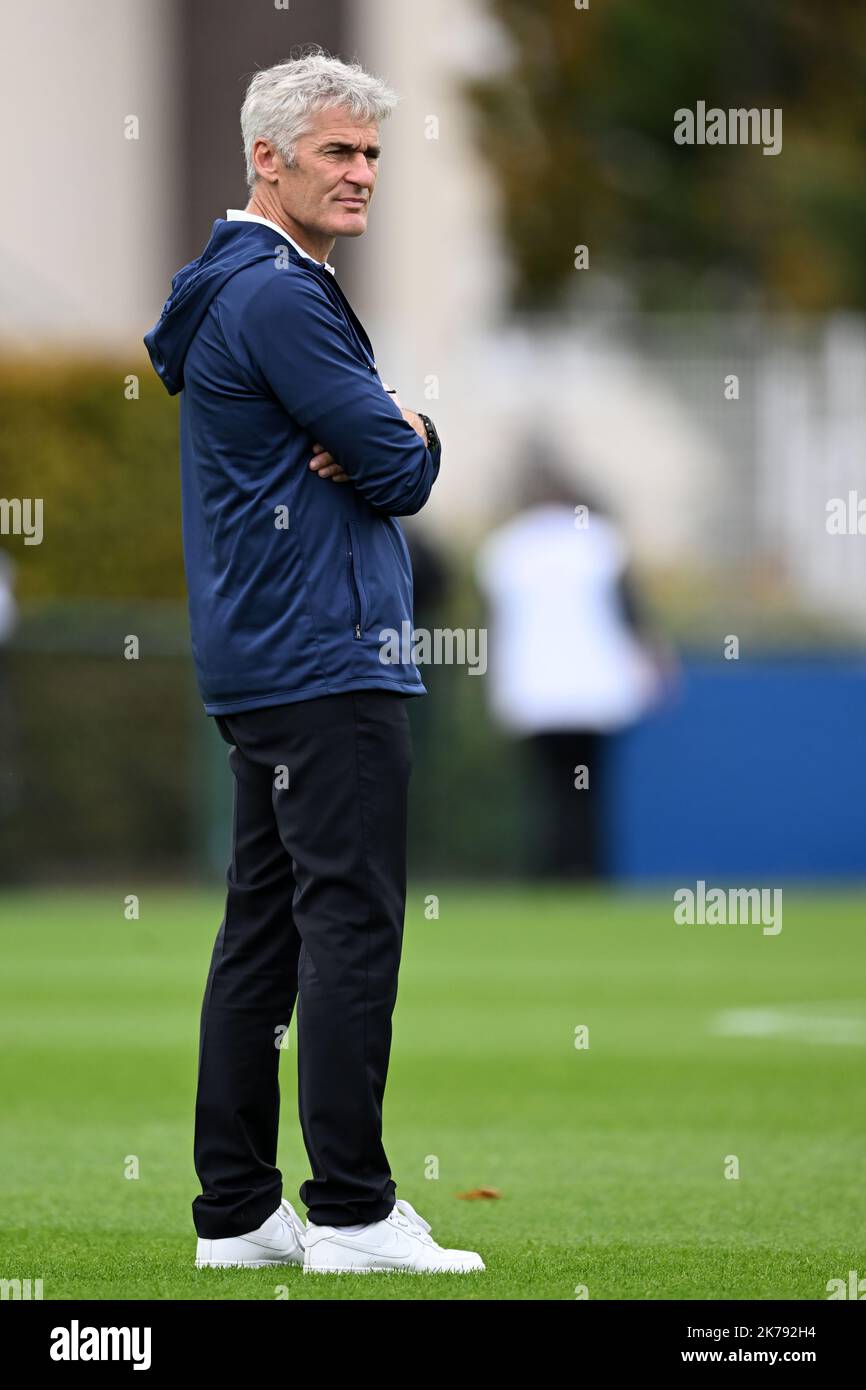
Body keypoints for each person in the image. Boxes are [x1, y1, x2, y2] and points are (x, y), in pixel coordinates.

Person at [144, 48, 483, 1275]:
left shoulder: (236, 285)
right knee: (346, 929)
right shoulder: (280, 295)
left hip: (269, 653)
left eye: (371, 154)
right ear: (266, 158)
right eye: (336, 152)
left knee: (263, 937)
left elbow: (370, 452)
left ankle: (236, 1213)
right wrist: (416, 429)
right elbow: (394, 470)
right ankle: (348, 1208)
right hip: (324, 652)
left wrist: (382, 433)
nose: (360, 174)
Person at [476, 457, 663, 879]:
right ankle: (587, 870)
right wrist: (652, 663)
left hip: (533, 690)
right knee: (590, 789)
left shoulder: (507, 547)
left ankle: (552, 872)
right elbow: (630, 612)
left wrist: (493, 684)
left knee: (549, 789)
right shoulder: (599, 541)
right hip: (594, 689)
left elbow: (492, 625)